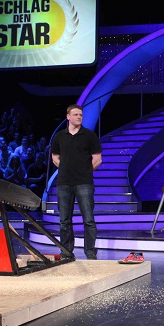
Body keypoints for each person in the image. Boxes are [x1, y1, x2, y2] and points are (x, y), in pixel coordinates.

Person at [50, 104, 102, 261]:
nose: (79, 117)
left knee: (89, 220)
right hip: (64, 183)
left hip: (84, 182)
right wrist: (66, 169)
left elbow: (97, 159)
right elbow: (55, 158)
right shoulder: (59, 136)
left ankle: (90, 252)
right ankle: (66, 251)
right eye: (76, 114)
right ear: (68, 117)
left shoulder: (89, 135)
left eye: (80, 115)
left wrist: (85, 171)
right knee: (64, 221)